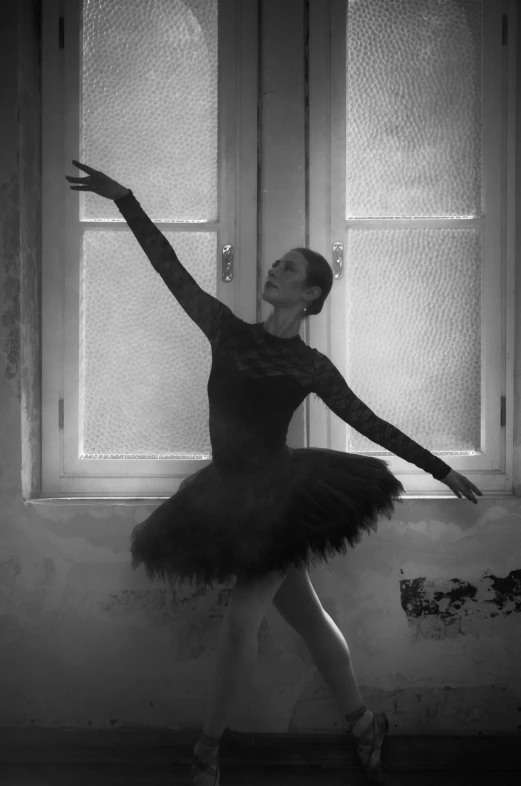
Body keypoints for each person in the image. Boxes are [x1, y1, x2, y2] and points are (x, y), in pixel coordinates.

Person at [66, 160, 483, 786]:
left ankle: (206, 754)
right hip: (228, 496)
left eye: (288, 268)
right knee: (310, 621)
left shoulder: (311, 367)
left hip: (283, 501)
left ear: (310, 294)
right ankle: (367, 725)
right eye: (276, 264)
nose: (273, 270)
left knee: (241, 625)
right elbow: (167, 268)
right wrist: (126, 199)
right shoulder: (226, 332)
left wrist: (442, 466)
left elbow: (370, 423)